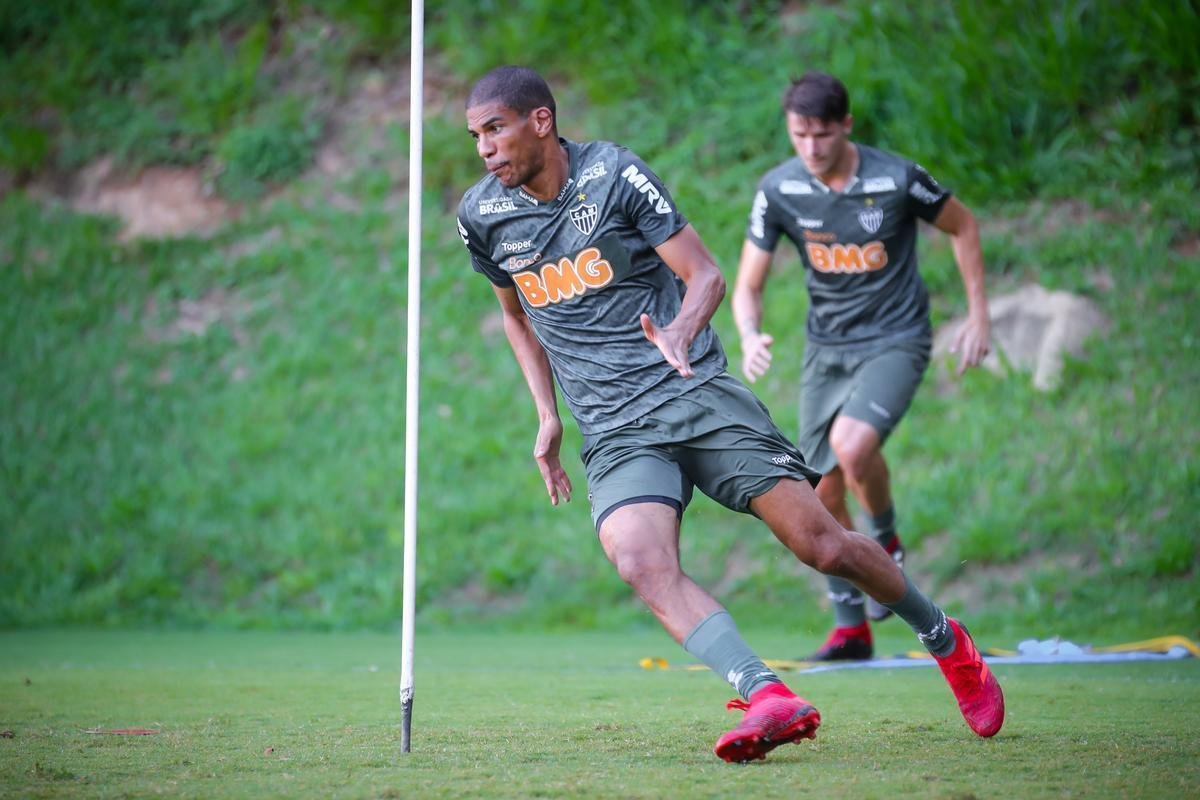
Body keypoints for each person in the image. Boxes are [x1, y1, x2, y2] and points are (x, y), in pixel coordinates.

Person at [455, 65, 1003, 762]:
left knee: (824, 546)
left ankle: (946, 640)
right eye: (476, 136)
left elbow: (707, 274)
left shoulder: (613, 174)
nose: (485, 148)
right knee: (638, 560)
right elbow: (517, 317)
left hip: (694, 393)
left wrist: (682, 330)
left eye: (495, 129)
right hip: (615, 428)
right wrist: (547, 414)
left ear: (540, 121)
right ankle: (766, 694)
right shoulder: (483, 215)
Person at [732, 71, 992, 662]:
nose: (811, 147)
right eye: (800, 135)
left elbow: (964, 225)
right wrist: (748, 334)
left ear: (846, 126)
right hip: (826, 350)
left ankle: (886, 544)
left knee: (851, 448)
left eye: (823, 134)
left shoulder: (896, 178)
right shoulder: (778, 189)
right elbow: (748, 283)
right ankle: (851, 629)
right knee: (817, 487)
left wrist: (979, 315)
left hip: (896, 338)